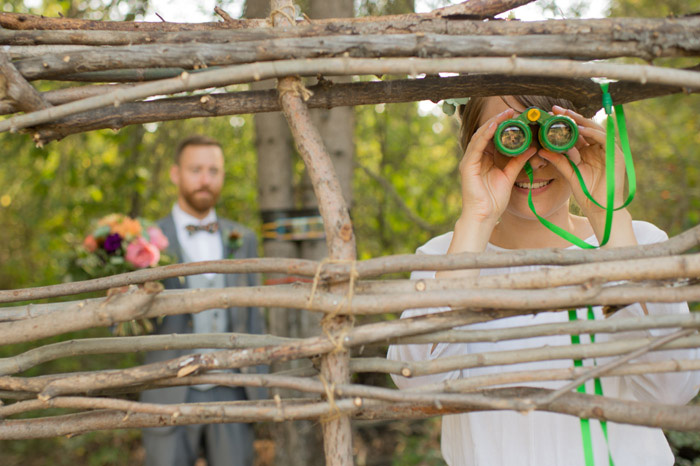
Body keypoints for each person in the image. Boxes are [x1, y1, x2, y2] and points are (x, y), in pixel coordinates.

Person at [387, 95, 700, 466]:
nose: (533, 158)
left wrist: (607, 216)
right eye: (511, 135)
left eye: (554, 134)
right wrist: (477, 219)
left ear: (583, 139)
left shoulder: (639, 243)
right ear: (474, 146)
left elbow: (672, 390)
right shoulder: (445, 257)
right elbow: (416, 385)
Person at [141, 135, 266, 466]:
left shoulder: (244, 239)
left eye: (214, 170)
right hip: (167, 389)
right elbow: (124, 322)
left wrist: (260, 387)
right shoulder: (144, 240)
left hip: (233, 388)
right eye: (196, 169)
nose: (205, 179)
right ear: (175, 173)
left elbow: (255, 317)